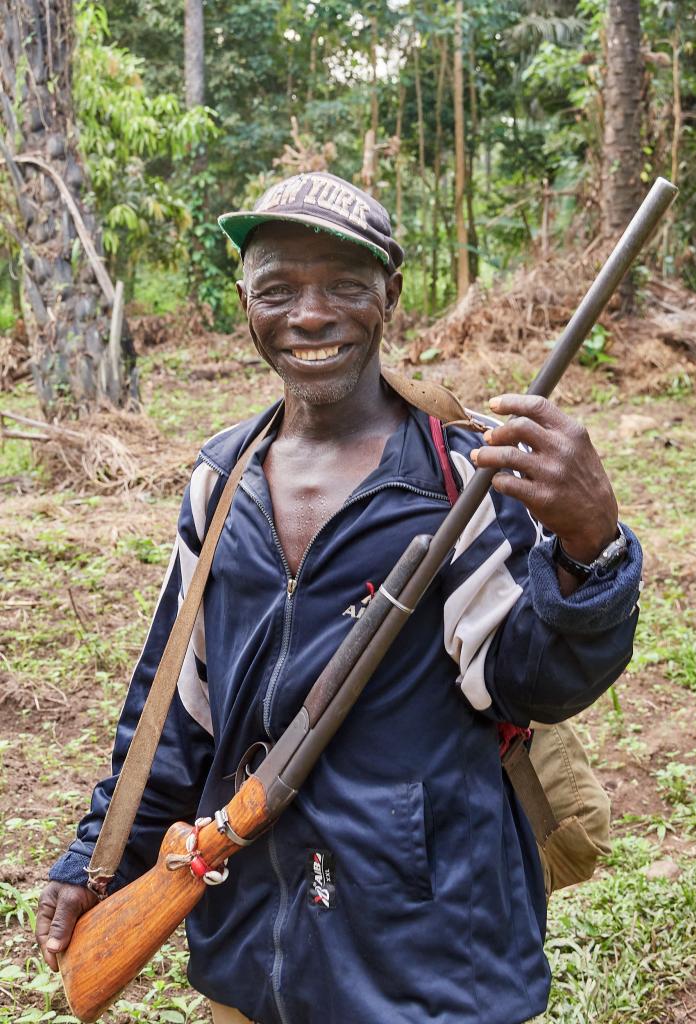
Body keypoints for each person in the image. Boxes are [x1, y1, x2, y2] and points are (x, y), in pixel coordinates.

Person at [36, 172, 642, 1024]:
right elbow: (178, 710)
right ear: (244, 301)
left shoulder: (459, 472)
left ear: (390, 294)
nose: (310, 315)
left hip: (429, 957)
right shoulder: (222, 482)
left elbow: (530, 686)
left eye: (345, 286)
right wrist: (94, 861)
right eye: (278, 288)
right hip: (251, 950)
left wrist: (591, 546)